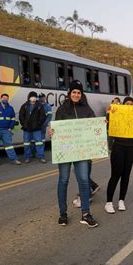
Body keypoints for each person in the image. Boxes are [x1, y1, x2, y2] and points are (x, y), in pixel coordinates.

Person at [48, 80, 98, 227]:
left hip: (81, 151)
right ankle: (63, 213)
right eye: (74, 92)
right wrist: (52, 132)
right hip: (65, 150)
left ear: (81, 95)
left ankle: (86, 213)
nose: (76, 95)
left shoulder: (87, 110)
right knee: (63, 180)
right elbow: (56, 128)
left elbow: (94, 126)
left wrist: (100, 126)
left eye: (78, 92)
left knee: (83, 180)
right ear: (69, 94)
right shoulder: (62, 110)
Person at [104, 97, 133, 214]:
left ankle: (121, 200)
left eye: (131, 104)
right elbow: (108, 123)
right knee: (115, 175)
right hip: (118, 147)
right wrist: (109, 113)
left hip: (130, 149)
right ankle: (108, 202)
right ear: (123, 105)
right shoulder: (116, 114)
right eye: (127, 103)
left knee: (126, 175)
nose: (129, 105)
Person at [0, 93, 21, 166]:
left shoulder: (10, 108)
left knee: (9, 145)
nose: (5, 99)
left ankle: (14, 159)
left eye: (6, 98)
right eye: (4, 98)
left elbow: (13, 119)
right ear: (1, 99)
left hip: (6, 130)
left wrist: (10, 128)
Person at [19, 91, 47, 164]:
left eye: (35, 96)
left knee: (39, 143)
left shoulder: (39, 106)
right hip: (26, 128)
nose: (33, 98)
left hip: (36, 128)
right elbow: (21, 116)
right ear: (29, 97)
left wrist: (38, 124)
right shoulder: (24, 106)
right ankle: (27, 157)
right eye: (32, 96)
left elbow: (43, 116)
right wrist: (24, 124)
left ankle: (41, 157)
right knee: (26, 144)